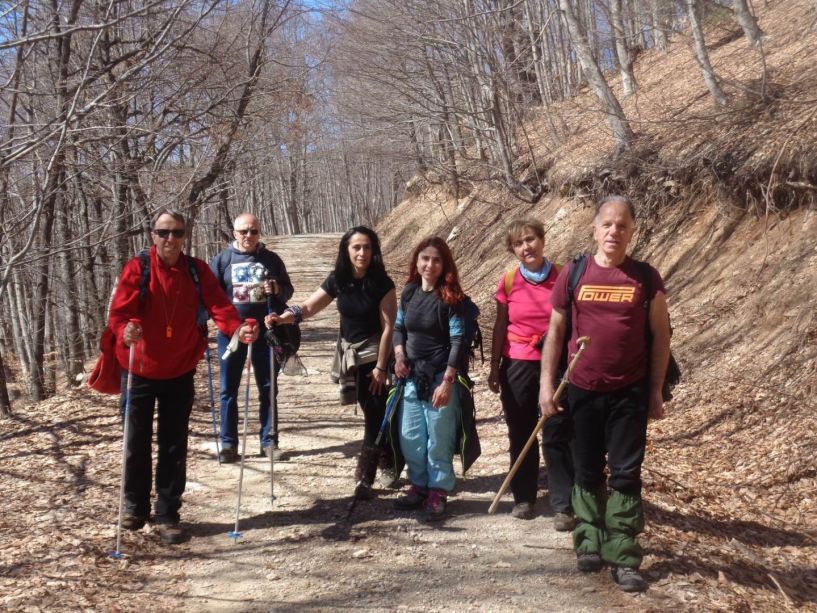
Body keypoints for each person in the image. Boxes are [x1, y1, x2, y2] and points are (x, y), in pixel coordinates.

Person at [538, 195, 671, 593]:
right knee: (587, 469)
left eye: (623, 225)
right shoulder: (574, 273)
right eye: (607, 224)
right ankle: (590, 542)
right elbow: (556, 332)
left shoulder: (646, 279)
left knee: (627, 473)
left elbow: (661, 336)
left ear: (632, 231)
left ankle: (624, 553)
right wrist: (547, 385)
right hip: (581, 390)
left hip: (628, 392)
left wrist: (655, 390)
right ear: (594, 229)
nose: (614, 231)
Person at [109, 208, 258, 544]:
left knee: (174, 443)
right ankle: (134, 507)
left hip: (179, 368)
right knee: (136, 441)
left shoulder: (196, 270)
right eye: (164, 232)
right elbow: (120, 313)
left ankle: (167, 513)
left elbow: (220, 306)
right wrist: (125, 331)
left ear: (185, 236)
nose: (170, 239)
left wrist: (238, 330)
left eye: (177, 233)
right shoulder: (138, 268)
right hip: (140, 368)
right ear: (153, 236)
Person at [265, 226, 396, 500]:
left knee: (373, 413)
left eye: (367, 247)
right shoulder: (338, 280)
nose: (362, 253)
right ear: (346, 251)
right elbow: (309, 307)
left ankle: (365, 476)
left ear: (374, 251)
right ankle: (389, 461)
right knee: (371, 410)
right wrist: (282, 318)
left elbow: (388, 329)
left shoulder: (383, 284)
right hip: (349, 356)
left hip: (375, 356)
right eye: (356, 247)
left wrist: (382, 368)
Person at [488, 219, 576, 530]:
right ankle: (523, 497)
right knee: (521, 431)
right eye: (519, 243)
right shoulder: (509, 280)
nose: (527, 247)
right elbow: (501, 325)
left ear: (542, 239)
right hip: (518, 363)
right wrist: (494, 366)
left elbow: (575, 323)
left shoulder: (565, 276)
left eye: (531, 239)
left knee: (557, 431)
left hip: (556, 364)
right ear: (513, 250)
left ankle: (563, 503)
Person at [210, 213, 293, 463]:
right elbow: (211, 297)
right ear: (234, 233)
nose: (249, 236)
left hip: (265, 333)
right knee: (228, 390)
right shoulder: (222, 260)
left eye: (254, 231)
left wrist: (277, 289)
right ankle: (228, 444)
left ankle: (269, 441)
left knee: (268, 388)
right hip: (231, 334)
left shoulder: (271, 259)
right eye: (244, 231)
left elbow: (288, 291)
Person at [392, 236, 465, 521]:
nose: (429, 265)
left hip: (439, 377)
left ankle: (438, 489)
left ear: (444, 264)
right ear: (417, 261)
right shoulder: (409, 293)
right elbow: (399, 329)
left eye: (436, 260)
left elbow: (457, 341)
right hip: (411, 377)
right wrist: (399, 356)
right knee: (410, 436)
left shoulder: (451, 297)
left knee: (438, 438)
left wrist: (447, 382)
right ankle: (418, 485)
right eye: (425, 258)